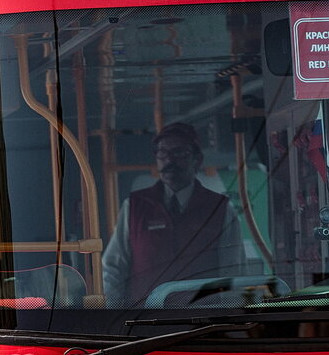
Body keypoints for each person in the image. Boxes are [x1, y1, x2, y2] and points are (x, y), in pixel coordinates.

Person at [102, 122, 247, 306]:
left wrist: (229, 319)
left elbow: (233, 271)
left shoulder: (219, 209)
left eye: (179, 153)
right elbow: (113, 268)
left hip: (201, 322)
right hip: (145, 322)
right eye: (162, 153)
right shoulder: (134, 207)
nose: (169, 161)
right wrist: (117, 316)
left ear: (197, 159)